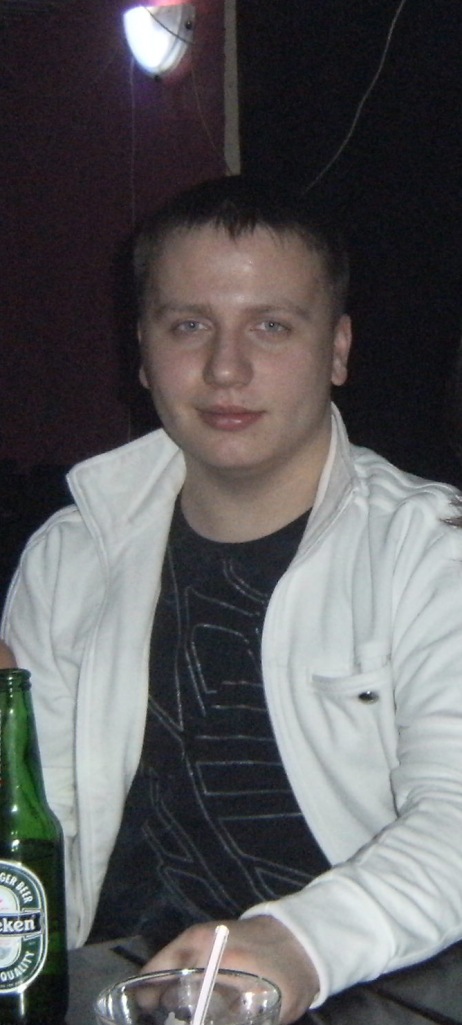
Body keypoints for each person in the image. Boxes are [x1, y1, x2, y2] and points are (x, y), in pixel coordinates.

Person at [3, 175, 462, 1022]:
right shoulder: (71, 555)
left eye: (272, 325)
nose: (225, 367)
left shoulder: (431, 552)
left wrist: (296, 945)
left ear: (338, 348)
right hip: (112, 991)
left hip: (354, 991)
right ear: (142, 351)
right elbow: (37, 835)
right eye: (189, 325)